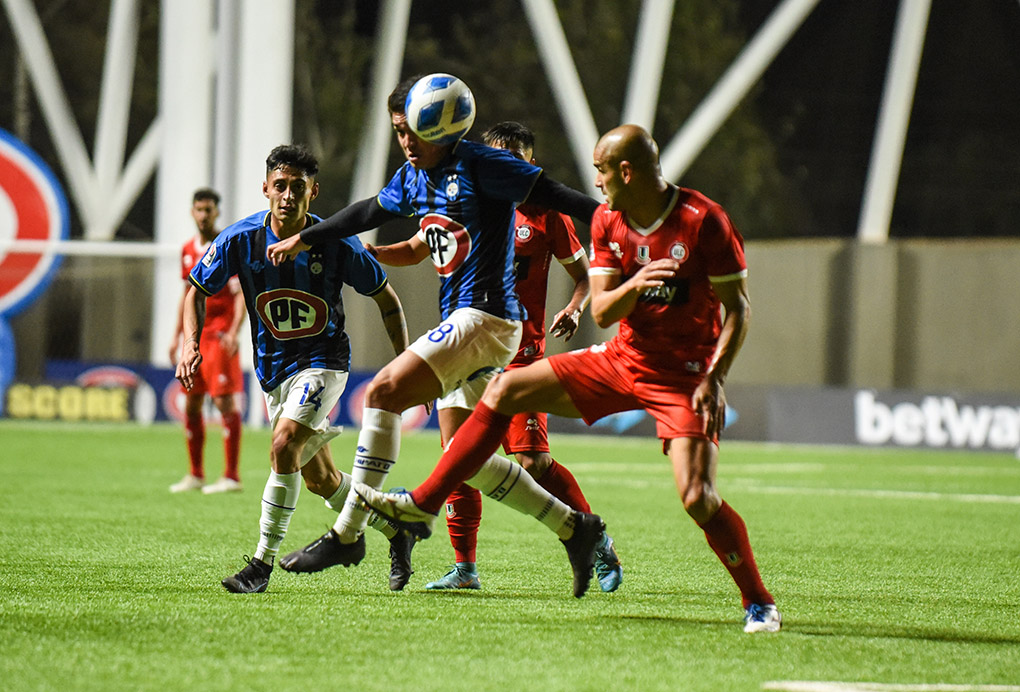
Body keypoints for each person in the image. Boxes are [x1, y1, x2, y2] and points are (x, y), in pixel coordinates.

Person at [356, 124, 783, 632]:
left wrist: (715, 377)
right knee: (504, 393)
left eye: (602, 171)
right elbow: (603, 308)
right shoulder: (606, 222)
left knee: (696, 497)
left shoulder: (703, 221)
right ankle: (427, 515)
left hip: (685, 377)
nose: (596, 184)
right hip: (621, 357)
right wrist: (636, 285)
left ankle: (758, 600)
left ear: (627, 171)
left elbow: (739, 308)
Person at [267, 75, 607, 598]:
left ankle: (348, 533)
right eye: (398, 131)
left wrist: (627, 223)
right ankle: (575, 528)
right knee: (461, 459)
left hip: (487, 318)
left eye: (413, 131)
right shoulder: (414, 176)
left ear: (441, 127)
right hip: (466, 320)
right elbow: (367, 213)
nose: (405, 141)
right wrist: (305, 237)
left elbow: (560, 196)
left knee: (382, 392)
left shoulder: (481, 163)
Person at [176, 144, 414, 594]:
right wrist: (190, 345)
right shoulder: (239, 239)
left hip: (324, 364)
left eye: (297, 187)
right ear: (265, 187)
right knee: (320, 478)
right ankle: (395, 523)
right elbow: (196, 290)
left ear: (313, 192)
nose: (287, 195)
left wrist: (405, 362)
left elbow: (387, 299)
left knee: (283, 444)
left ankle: (260, 565)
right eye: (280, 185)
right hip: (273, 372)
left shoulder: (336, 243)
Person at [404, 121, 622, 592]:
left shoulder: (546, 214)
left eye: (519, 161)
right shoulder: (466, 207)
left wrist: (574, 306)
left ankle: (595, 538)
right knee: (455, 457)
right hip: (467, 348)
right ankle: (465, 568)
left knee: (534, 463)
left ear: (529, 164)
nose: (509, 170)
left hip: (520, 354)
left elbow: (584, 276)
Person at [168, 188, 246, 494]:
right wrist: (178, 335)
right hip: (195, 339)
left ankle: (231, 476)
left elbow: (239, 296)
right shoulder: (187, 249)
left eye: (209, 209)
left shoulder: (225, 245)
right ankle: (196, 473)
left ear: (217, 213)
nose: (203, 214)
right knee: (192, 403)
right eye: (199, 209)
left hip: (218, 337)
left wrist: (233, 332)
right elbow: (186, 296)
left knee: (225, 402)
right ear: (192, 212)